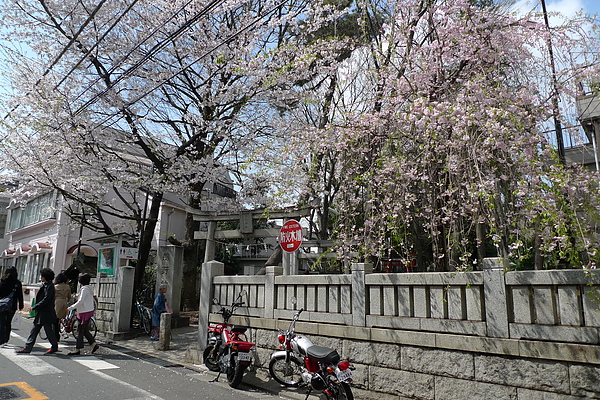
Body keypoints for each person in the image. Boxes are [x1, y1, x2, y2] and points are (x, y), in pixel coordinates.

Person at [16, 268, 59, 354]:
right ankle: (28, 348)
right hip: (43, 312)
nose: (41, 278)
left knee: (44, 330)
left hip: (45, 312)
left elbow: (46, 299)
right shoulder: (46, 285)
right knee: (38, 330)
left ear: (45, 277)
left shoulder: (49, 286)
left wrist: (35, 307)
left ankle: (29, 348)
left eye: (42, 276)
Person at [67, 273, 98, 355]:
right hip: (87, 311)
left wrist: (70, 308)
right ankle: (93, 344)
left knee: (80, 330)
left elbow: (80, 301)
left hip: (84, 312)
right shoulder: (89, 289)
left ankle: (77, 349)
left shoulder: (84, 289)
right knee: (84, 330)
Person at [0, 267, 24, 347]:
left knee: (2, 322)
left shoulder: (2, 281)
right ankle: (6, 339)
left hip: (1, 305)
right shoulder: (17, 283)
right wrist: (21, 304)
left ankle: (1, 339)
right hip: (12, 305)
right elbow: (20, 295)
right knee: (8, 322)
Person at [53, 272, 71, 341]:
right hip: (65, 302)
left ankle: (56, 336)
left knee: (55, 320)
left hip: (57, 303)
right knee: (61, 318)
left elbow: (53, 297)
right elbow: (69, 297)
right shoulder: (67, 287)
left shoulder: (55, 287)